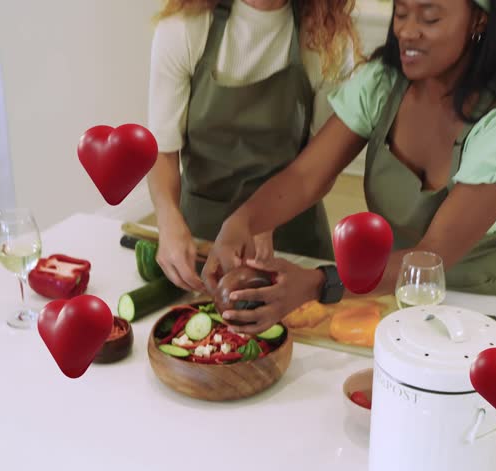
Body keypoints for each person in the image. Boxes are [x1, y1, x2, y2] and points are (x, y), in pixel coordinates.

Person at [203, 0, 496, 333]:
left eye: (429, 17)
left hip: (490, 309)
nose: (406, 31)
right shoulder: (382, 83)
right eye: (401, 13)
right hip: (401, 295)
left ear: (480, 19)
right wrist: (243, 221)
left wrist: (317, 283)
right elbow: (306, 176)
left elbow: (434, 255)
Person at [145, 0, 362, 293]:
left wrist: (264, 219)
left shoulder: (326, 38)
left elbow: (323, 164)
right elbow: (162, 149)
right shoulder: (185, 27)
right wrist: (167, 217)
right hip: (203, 241)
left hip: (291, 234)